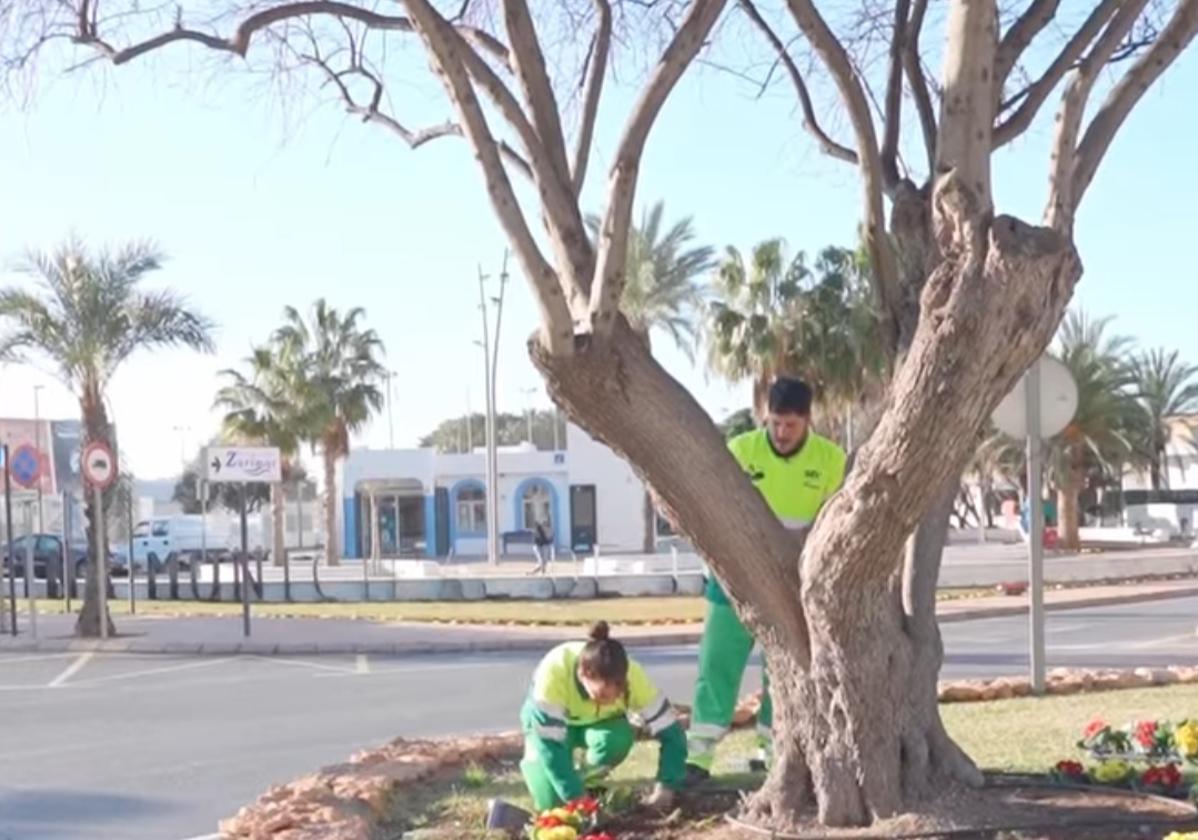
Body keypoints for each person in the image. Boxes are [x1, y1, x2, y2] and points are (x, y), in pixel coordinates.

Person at [685, 377, 847, 784]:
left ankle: (775, 753)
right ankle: (699, 759)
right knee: (717, 666)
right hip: (732, 583)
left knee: (783, 670)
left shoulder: (830, 460)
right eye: (775, 422)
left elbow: (833, 523)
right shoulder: (740, 450)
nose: (782, 432)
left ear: (808, 420)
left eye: (791, 424)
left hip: (791, 584)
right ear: (765, 416)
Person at [518, 621, 686, 810]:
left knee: (618, 738)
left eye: (618, 693)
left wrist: (666, 786)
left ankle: (588, 784)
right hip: (548, 732)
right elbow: (549, 748)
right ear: (583, 675)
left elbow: (672, 734)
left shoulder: (634, 676)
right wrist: (574, 796)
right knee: (551, 804)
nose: (611, 700)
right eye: (602, 695)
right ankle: (574, 791)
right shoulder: (554, 673)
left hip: (598, 727)